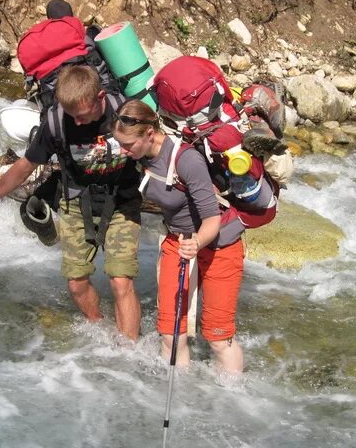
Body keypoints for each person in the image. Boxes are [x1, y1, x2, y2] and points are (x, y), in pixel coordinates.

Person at [0, 64, 143, 340]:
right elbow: (26, 165)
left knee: (121, 279)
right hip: (77, 204)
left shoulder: (124, 111)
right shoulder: (56, 122)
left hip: (122, 201)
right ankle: (102, 332)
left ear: (100, 98)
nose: (76, 123)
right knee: (76, 284)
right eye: (71, 115)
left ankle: (129, 348)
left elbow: (156, 148)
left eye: (82, 116)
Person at [112, 99, 274, 373]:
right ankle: (183, 403)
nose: (123, 151)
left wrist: (197, 242)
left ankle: (230, 400)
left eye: (128, 145)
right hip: (178, 241)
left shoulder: (186, 160)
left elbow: (211, 218)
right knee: (171, 336)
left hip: (219, 242)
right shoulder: (142, 157)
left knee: (218, 338)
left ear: (149, 134)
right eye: (121, 144)